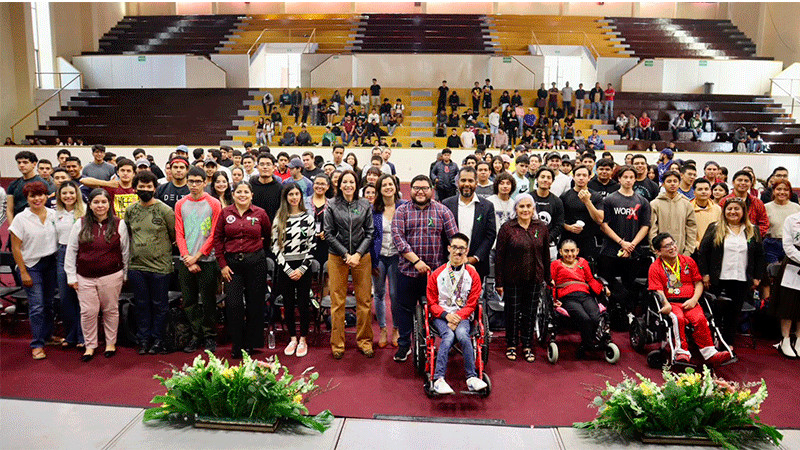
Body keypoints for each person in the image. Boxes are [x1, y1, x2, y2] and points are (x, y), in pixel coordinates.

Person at [391, 175, 458, 362]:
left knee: (437, 310)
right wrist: (416, 261)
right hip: (407, 272)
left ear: (431, 190)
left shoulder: (443, 211)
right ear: (410, 190)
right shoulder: (402, 211)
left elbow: (454, 239)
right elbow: (398, 239)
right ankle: (404, 346)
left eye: (424, 188)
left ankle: (444, 343)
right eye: (416, 188)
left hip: (435, 276)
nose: (420, 191)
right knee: (404, 310)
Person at [62, 188, 128, 362]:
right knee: (88, 312)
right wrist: (71, 276)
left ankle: (110, 343)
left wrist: (125, 274)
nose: (100, 205)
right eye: (96, 202)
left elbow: (125, 251)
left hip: (112, 275)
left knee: (110, 310)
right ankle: (90, 345)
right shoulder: (80, 223)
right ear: (89, 205)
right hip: (85, 276)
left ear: (109, 204)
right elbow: (71, 251)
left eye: (104, 202)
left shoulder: (119, 223)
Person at [648, 233, 732, 365]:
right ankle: (681, 352)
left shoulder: (688, 261)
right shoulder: (655, 267)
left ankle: (710, 354)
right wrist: (665, 303)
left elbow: (698, 282)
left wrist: (694, 299)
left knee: (700, 319)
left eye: (673, 243)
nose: (672, 247)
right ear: (658, 251)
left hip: (690, 301)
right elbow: (657, 289)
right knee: (678, 319)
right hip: (672, 303)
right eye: (667, 246)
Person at [214, 181, 271, 358]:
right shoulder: (225, 213)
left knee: (255, 304)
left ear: (251, 195)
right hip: (232, 266)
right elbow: (217, 239)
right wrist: (222, 265)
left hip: (256, 263)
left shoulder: (260, 213)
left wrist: (259, 254)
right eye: (239, 192)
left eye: (246, 192)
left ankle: (251, 344)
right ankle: (237, 344)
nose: (242, 195)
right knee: (234, 305)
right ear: (233, 194)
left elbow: (268, 237)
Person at [697, 197, 765, 346]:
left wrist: (757, 277)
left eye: (736, 209)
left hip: (741, 278)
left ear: (743, 212)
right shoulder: (714, 227)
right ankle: (711, 343)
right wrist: (705, 274)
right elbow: (703, 252)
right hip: (718, 278)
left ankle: (728, 344)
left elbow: (759, 255)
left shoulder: (752, 230)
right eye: (729, 209)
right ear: (724, 211)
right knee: (716, 313)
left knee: (733, 315)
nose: (733, 212)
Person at [427, 233, 489, 394]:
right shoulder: (437, 274)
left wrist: (458, 317)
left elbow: (473, 302)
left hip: (462, 316)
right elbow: (432, 302)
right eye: (455, 247)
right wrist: (447, 316)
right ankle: (439, 378)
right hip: (442, 316)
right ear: (449, 248)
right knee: (447, 336)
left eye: (462, 248)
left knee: (462, 335)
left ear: (467, 251)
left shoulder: (472, 274)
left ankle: (471, 378)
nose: (458, 252)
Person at [324, 170, 374, 359]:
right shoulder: (331, 205)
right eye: (344, 182)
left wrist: (358, 254)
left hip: (362, 257)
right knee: (337, 302)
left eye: (351, 182)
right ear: (339, 184)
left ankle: (365, 341)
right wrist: (346, 254)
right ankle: (337, 344)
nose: (348, 185)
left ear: (357, 184)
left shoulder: (364, 204)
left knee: (364, 301)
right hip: (337, 257)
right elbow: (328, 233)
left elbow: (369, 232)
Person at [125, 171, 176, 355]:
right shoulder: (131, 210)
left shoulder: (165, 210)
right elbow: (128, 235)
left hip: (160, 266)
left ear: (155, 188)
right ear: (135, 188)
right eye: (141, 186)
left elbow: (174, 236)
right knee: (141, 304)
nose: (145, 189)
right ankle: (144, 339)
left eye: (148, 186)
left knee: (159, 305)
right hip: (137, 266)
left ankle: (158, 339)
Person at [495, 194, 550, 363]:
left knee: (530, 313)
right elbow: (499, 257)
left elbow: (546, 255)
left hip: (535, 278)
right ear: (516, 209)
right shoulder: (507, 228)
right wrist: (499, 282)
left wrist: (547, 278)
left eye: (529, 206)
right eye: (521, 206)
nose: (525, 210)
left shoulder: (541, 227)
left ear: (533, 208)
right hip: (512, 279)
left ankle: (527, 345)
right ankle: (511, 344)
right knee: (512, 313)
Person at [175, 167, 222, 353]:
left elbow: (214, 234)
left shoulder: (214, 203)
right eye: (191, 181)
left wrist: (197, 256)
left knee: (209, 300)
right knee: (188, 300)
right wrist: (187, 257)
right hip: (186, 259)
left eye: (197, 181)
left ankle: (210, 335)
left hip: (207, 259)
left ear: (205, 182)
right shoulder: (180, 204)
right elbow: (179, 232)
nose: (194, 185)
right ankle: (196, 334)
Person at [9, 182, 58, 360]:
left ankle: (48, 336)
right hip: (31, 266)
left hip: (51, 263)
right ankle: (37, 344)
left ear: (46, 196)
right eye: (32, 196)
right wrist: (23, 271)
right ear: (27, 198)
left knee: (49, 303)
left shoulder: (53, 214)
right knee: (36, 307)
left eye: (40, 195)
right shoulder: (21, 219)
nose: (37, 199)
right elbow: (15, 248)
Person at [598, 165, 652, 314]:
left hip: (633, 252)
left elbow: (645, 226)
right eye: (625, 177)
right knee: (609, 285)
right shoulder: (609, 200)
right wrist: (622, 243)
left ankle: (627, 316)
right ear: (619, 179)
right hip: (610, 251)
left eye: (631, 177)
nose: (628, 180)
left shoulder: (643, 201)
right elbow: (604, 225)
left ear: (635, 180)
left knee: (630, 286)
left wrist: (632, 245)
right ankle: (609, 315)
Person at [272, 183, 316, 358]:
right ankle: (292, 338)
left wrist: (302, 268)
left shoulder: (308, 218)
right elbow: (275, 247)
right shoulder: (279, 219)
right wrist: (288, 269)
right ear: (286, 197)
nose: (294, 197)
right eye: (290, 194)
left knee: (304, 305)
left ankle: (303, 339)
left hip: (304, 268)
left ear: (301, 196)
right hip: (286, 268)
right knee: (288, 305)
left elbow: (312, 246)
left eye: (297, 194)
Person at [551, 239, 608, 357]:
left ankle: (586, 344)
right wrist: (553, 300)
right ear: (560, 252)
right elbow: (551, 284)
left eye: (572, 251)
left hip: (585, 295)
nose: (569, 254)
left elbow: (591, 280)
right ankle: (589, 345)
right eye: (566, 251)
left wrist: (602, 290)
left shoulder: (583, 262)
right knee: (585, 318)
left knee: (595, 317)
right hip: (567, 297)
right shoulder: (555, 264)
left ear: (577, 251)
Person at [441, 167, 497, 278]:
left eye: (470, 181)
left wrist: (475, 258)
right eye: (463, 180)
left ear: (476, 183)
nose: (467, 184)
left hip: (476, 265)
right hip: (450, 263)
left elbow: (490, 235)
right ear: (457, 182)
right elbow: (442, 234)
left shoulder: (487, 206)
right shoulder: (446, 204)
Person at [371, 174, 404, 349]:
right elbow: (369, 235)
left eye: (390, 184)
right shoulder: (374, 209)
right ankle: (383, 328)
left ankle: (396, 329)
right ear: (379, 189)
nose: (388, 187)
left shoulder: (404, 206)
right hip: (379, 256)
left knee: (395, 294)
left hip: (397, 256)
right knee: (379, 293)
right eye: (384, 185)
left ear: (395, 187)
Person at [54, 181, 86, 350]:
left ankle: (83, 336)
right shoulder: (55, 214)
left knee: (82, 298)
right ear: (59, 195)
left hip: (82, 255)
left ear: (77, 194)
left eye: (71, 193)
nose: (68, 196)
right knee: (66, 299)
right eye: (64, 193)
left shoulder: (85, 211)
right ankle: (70, 335)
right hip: (62, 254)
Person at [772, 208, 800, 357]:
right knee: (788, 305)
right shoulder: (792, 219)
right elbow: (788, 246)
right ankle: (786, 339)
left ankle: (799, 340)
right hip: (793, 264)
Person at [649, 170, 697, 256]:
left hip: (682, 253)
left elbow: (691, 228)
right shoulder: (655, 204)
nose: (672, 184)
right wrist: (656, 250)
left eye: (675, 181)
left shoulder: (686, 204)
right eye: (669, 181)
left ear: (679, 184)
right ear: (663, 184)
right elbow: (652, 230)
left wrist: (688, 251)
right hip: (661, 254)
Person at [561, 165, 604, 259]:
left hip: (588, 241)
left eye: (584, 175)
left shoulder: (596, 196)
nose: (581, 178)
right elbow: (558, 220)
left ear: (589, 178)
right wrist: (568, 227)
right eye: (578, 175)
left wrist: (587, 201)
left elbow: (599, 219)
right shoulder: (565, 196)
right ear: (573, 177)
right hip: (568, 240)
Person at [720, 170, 770, 239]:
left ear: (750, 184)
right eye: (740, 180)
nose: (743, 183)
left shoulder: (757, 202)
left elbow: (764, 223)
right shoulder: (724, 201)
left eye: (746, 181)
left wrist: (753, 237)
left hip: (752, 240)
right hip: (728, 239)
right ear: (733, 182)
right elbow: (720, 222)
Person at [764, 179, 800, 264]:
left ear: (790, 192)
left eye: (786, 190)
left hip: (792, 246)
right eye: (779, 189)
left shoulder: (797, 207)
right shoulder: (766, 207)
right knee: (773, 273)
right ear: (773, 191)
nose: (782, 192)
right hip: (772, 245)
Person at [532, 167, 565, 259]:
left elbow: (559, 225)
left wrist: (547, 239)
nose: (545, 180)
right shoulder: (528, 197)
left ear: (552, 181)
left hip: (549, 245)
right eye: (542, 177)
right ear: (537, 179)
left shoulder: (557, 201)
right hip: (529, 243)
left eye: (548, 177)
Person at [7, 151, 46, 225]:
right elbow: (9, 210)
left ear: (34, 164)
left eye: (25, 162)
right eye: (19, 162)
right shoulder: (13, 185)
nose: (21, 165)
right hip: (18, 223)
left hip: (36, 223)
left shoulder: (42, 183)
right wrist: (12, 227)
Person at [691, 178, 722, 253]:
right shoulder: (689, 208)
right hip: (694, 249)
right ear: (694, 192)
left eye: (706, 189)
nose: (703, 192)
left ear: (710, 191)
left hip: (713, 248)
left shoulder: (717, 209)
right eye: (700, 189)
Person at [250, 153, 283, 221]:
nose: (265, 167)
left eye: (268, 164)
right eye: (262, 164)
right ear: (257, 167)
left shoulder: (280, 188)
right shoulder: (250, 186)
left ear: (274, 167)